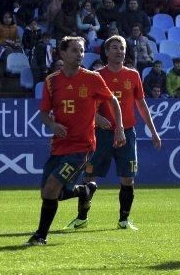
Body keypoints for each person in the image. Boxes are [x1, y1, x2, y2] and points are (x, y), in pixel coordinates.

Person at [25, 36, 124, 246]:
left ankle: (40, 236)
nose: (79, 55)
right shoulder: (52, 81)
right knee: (49, 194)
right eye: (74, 51)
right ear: (62, 54)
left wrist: (120, 129)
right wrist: (52, 125)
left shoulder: (92, 78)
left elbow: (113, 101)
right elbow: (44, 113)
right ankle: (85, 190)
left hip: (82, 146)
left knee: (51, 188)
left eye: (81, 51)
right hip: (59, 145)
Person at [65, 35, 160, 231]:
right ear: (106, 52)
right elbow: (85, 103)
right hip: (101, 134)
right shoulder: (96, 75)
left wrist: (153, 131)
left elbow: (141, 104)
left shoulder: (133, 75)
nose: (119, 51)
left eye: (122, 48)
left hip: (127, 133)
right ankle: (81, 218)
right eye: (115, 48)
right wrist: (96, 118)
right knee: (89, 176)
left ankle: (124, 219)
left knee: (128, 178)